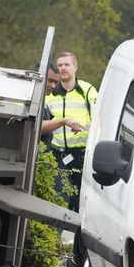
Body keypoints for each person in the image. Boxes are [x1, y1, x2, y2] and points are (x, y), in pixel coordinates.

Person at [45, 51, 98, 209]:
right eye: (60, 65)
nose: (62, 68)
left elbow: (99, 115)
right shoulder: (50, 92)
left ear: (75, 67)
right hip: (57, 153)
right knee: (60, 195)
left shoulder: (87, 90)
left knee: (80, 198)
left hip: (82, 154)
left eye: (66, 64)